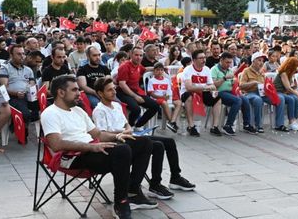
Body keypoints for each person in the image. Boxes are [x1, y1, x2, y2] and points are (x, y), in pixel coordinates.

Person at [41, 75, 154, 219]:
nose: (79, 93)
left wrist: (117, 136)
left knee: (143, 142)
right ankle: (121, 202)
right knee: (122, 151)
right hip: (72, 157)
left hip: (93, 149)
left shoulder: (78, 111)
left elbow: (98, 135)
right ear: (61, 92)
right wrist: (91, 147)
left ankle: (132, 191)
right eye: (74, 90)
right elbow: (56, 145)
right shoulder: (50, 113)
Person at [92, 77, 195, 202]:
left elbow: (126, 123)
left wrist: (128, 129)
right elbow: (102, 134)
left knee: (169, 142)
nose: (114, 92)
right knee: (157, 146)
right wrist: (123, 132)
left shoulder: (116, 105)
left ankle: (175, 177)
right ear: (100, 93)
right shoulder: (99, 110)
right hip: (117, 141)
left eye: (114, 88)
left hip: (129, 135)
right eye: (109, 90)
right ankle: (152, 185)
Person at [211, 52, 255, 135]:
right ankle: (228, 125)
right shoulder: (214, 69)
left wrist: (234, 82)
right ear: (221, 60)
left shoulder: (229, 70)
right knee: (237, 100)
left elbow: (233, 83)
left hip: (230, 92)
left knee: (245, 99)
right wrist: (224, 78)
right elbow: (213, 85)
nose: (229, 64)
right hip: (219, 92)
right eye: (227, 62)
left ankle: (246, 124)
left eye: (230, 62)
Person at [180, 49, 221, 137]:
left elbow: (212, 86)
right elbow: (189, 87)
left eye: (204, 57)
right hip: (188, 93)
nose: (204, 60)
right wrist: (204, 87)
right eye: (201, 58)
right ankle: (191, 126)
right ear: (194, 60)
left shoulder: (206, 69)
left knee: (218, 98)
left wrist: (210, 88)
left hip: (203, 93)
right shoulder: (188, 70)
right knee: (189, 96)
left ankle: (215, 126)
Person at [116, 47, 159, 129]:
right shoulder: (124, 66)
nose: (138, 57)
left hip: (136, 91)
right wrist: (135, 97)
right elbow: (122, 84)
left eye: (140, 55)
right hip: (123, 92)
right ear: (131, 55)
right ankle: (129, 127)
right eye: (136, 55)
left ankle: (138, 125)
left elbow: (145, 69)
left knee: (155, 106)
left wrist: (157, 68)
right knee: (136, 109)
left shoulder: (138, 65)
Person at [0, 44, 36, 127]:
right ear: (11, 55)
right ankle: (23, 135)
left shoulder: (28, 70)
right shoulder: (5, 68)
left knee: (46, 106)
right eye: (19, 54)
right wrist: (16, 93)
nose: (22, 56)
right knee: (25, 113)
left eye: (23, 54)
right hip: (13, 98)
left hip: (28, 96)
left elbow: (32, 84)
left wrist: (29, 90)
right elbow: (3, 88)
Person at [238, 52, 273, 133]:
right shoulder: (246, 71)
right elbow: (241, 86)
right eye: (259, 60)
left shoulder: (262, 72)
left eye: (262, 61)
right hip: (250, 93)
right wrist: (253, 82)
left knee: (279, 98)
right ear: (253, 61)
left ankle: (279, 124)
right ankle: (258, 125)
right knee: (258, 100)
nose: (261, 63)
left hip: (262, 93)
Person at [146, 63, 181, 133]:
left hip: (165, 97)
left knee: (179, 103)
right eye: (157, 70)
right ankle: (171, 122)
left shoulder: (166, 80)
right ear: (154, 71)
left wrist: (168, 97)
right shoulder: (151, 80)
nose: (160, 72)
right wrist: (162, 97)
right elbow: (151, 94)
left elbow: (169, 91)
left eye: (161, 70)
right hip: (155, 99)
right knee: (164, 102)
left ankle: (172, 121)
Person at [273, 57, 298, 131]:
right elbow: (288, 88)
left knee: (295, 98)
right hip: (277, 92)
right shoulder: (283, 73)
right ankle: (287, 122)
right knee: (291, 99)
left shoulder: (290, 74)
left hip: (284, 92)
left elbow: (290, 87)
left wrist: (295, 86)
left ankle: (293, 119)